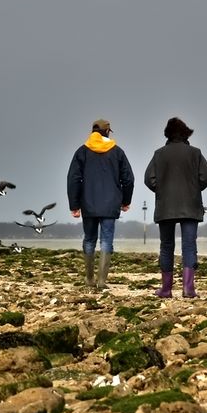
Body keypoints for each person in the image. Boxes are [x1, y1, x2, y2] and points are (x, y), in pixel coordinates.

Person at [144, 117, 207, 298]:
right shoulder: (195, 153)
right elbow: (206, 176)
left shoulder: (159, 154)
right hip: (190, 206)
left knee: (166, 246)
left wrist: (162, 190)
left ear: (167, 134)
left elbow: (148, 179)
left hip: (165, 206)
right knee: (189, 246)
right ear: (185, 134)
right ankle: (188, 289)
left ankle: (166, 289)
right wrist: (195, 189)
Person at [67, 118, 135, 290]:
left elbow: (73, 179)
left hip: (88, 203)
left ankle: (89, 280)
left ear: (93, 132)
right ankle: (102, 281)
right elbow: (128, 179)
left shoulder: (82, 151)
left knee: (89, 240)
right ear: (107, 132)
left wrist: (74, 205)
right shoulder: (117, 152)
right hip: (111, 204)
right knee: (106, 241)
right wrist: (125, 201)